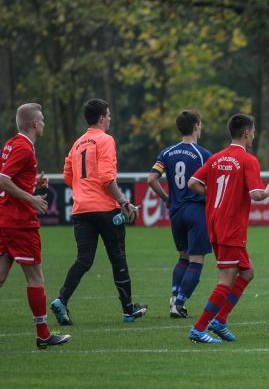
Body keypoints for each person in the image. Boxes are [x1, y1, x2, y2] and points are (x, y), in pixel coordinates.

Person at [51, 99, 146, 325]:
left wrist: (83, 190)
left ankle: (61, 300)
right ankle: (127, 309)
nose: (110, 119)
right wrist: (124, 201)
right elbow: (106, 178)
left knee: (84, 260)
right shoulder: (105, 140)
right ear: (102, 117)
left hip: (81, 209)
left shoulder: (77, 143)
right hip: (105, 210)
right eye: (109, 115)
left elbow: (67, 177)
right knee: (118, 258)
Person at [185, 114, 269, 344]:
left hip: (215, 222)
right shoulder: (249, 160)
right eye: (253, 131)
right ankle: (199, 328)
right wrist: (268, 192)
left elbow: (192, 183)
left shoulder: (216, 158)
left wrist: (216, 196)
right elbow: (256, 194)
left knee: (247, 273)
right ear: (246, 133)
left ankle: (220, 320)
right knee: (226, 279)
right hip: (231, 227)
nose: (254, 135)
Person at [0, 103, 70, 348]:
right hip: (20, 222)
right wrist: (32, 198)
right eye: (42, 120)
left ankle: (43, 334)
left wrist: (33, 185)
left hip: (6, 218)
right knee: (35, 277)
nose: (44, 124)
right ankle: (43, 334)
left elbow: (12, 181)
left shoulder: (11, 143)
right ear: (33, 124)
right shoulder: (23, 148)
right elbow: (2, 180)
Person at [147, 109, 212, 318]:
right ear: (196, 126)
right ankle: (179, 303)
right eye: (200, 125)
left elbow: (151, 179)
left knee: (183, 256)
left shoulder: (166, 153)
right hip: (195, 211)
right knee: (197, 260)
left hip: (175, 213)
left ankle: (175, 296)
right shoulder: (203, 155)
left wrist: (167, 199)